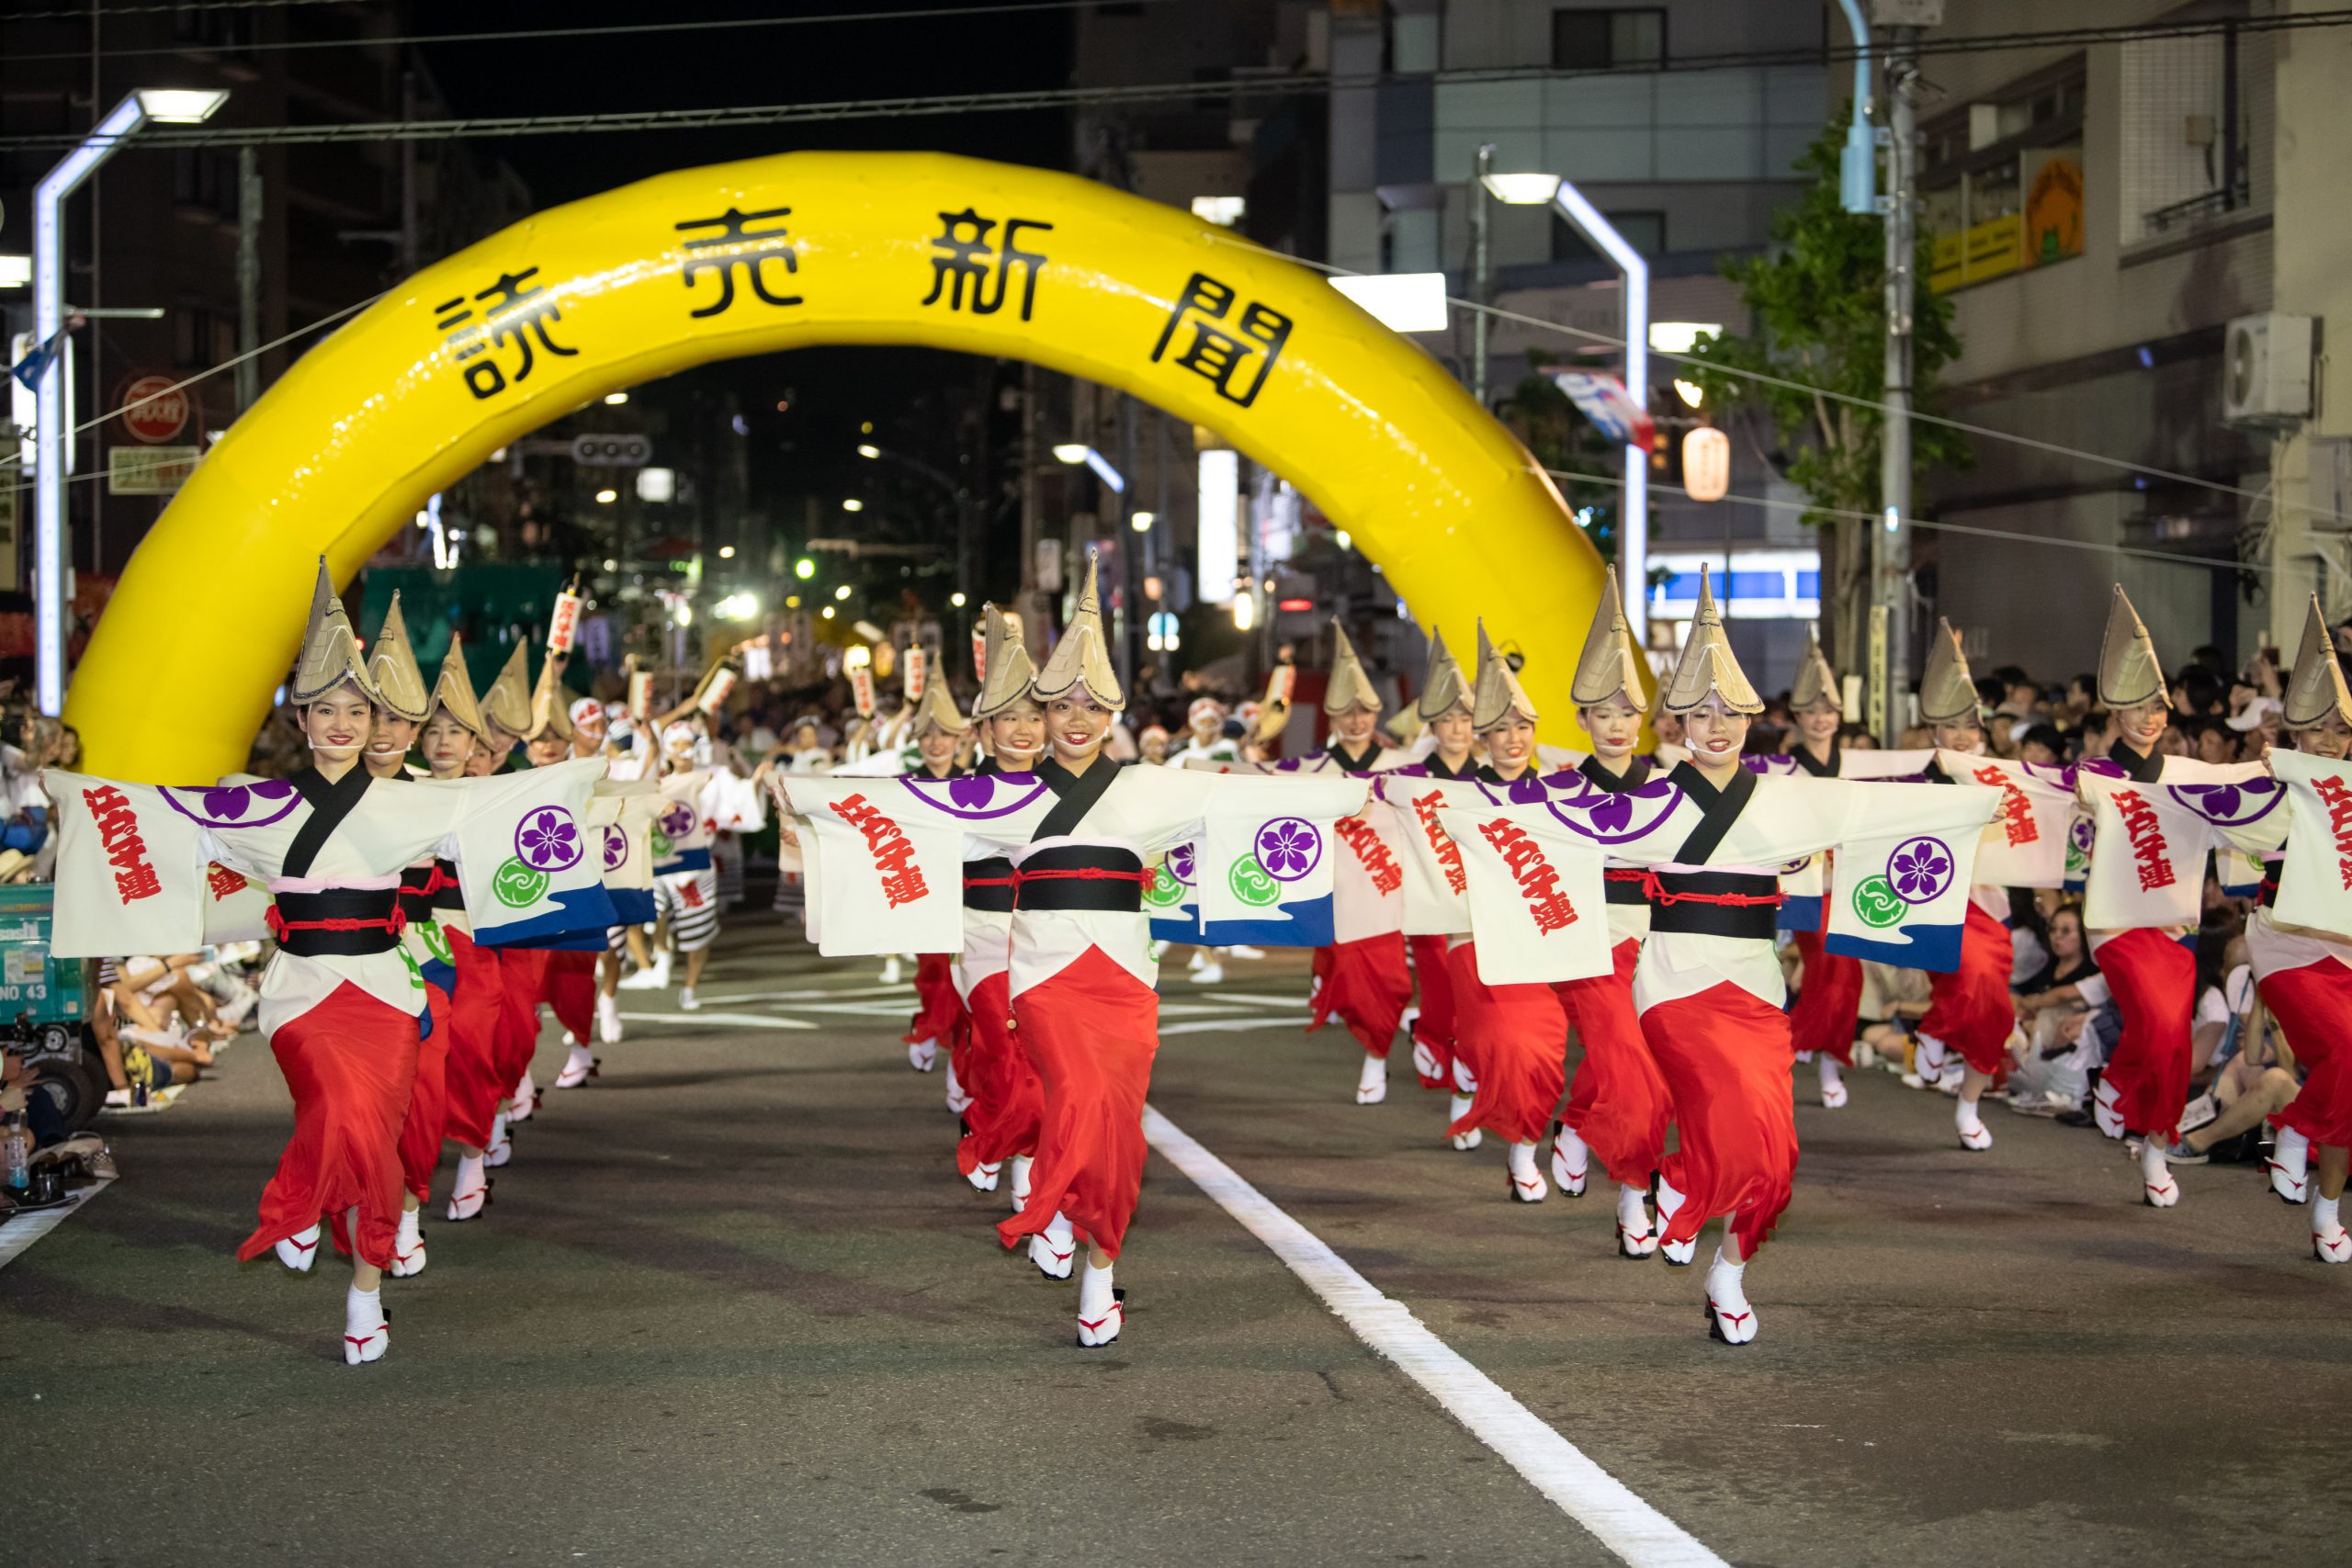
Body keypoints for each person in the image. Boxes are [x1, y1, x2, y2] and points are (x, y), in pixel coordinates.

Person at [44, 562, 607, 1363]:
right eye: (326, 710)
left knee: (376, 1138)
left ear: (376, 719)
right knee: (341, 1112)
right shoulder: (253, 802)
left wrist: (583, 773)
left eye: (357, 710)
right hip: (302, 994)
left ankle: (363, 1295)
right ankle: (307, 1203)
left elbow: (498, 811)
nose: (343, 723)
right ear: (302, 719)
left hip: (385, 988)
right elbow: (158, 816)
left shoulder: (414, 800)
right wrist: (66, 791)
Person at [1544, 575, 1671, 1253]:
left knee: (1653, 1068)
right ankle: (1633, 1192)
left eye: (1628, 712)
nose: (1617, 724)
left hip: (1664, 946)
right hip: (1589, 945)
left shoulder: (1669, 786)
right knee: (1630, 1067)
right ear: (1583, 720)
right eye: (1604, 712)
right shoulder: (1554, 791)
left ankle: (1576, 1125)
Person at [2239, 597, 2352, 1258]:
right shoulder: (2271, 786)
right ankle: (2291, 1130)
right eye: (2318, 729)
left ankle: (2326, 1205)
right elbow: (2204, 812)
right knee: (2346, 1050)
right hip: (2285, 942)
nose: (2332, 741)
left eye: (2342, 728)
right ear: (2293, 736)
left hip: (2347, 950)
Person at [1913, 621, 2024, 1152]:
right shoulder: (1913, 785)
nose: (1962, 734)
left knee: (1997, 1007)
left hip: (1988, 903)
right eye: (1951, 724)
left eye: (1971, 723)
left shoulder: (2005, 777)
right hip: (1934, 905)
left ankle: (1968, 1097)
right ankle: (1937, 1032)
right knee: (1973, 978)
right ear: (1933, 727)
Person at [951, 604, 1046, 1203]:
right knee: (1008, 1050)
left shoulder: (1072, 790)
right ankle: (994, 1139)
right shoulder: (956, 795)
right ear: (984, 731)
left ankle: (1008, 1147)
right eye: (1008, 717)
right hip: (983, 936)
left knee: (1037, 1057)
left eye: (1035, 715)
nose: (1023, 728)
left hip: (1051, 939)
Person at [1300, 624, 1416, 1105]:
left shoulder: (1406, 767)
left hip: (1390, 890)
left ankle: (1378, 1054)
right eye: (1346, 712)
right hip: (1336, 891)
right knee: (1348, 980)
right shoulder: (1309, 769)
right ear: (1331, 716)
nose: (1356, 720)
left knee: (1392, 982)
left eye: (1365, 711)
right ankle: (1370, 1040)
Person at [1400, 629, 1479, 1140]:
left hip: (1480, 912)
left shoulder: (1495, 776)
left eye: (1466, 717)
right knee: (1441, 1001)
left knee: (1475, 1004)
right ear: (1432, 724)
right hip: (1428, 908)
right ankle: (1432, 1042)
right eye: (1447, 718)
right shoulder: (1404, 777)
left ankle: (1464, 1093)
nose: (1457, 728)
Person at [899, 676, 975, 1095]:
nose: (935, 743)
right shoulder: (901, 787)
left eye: (944, 733)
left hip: (974, 894)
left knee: (970, 985)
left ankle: (959, 1067)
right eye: (927, 734)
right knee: (936, 975)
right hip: (925, 895)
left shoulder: (978, 783)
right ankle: (928, 1024)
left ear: (960, 737)